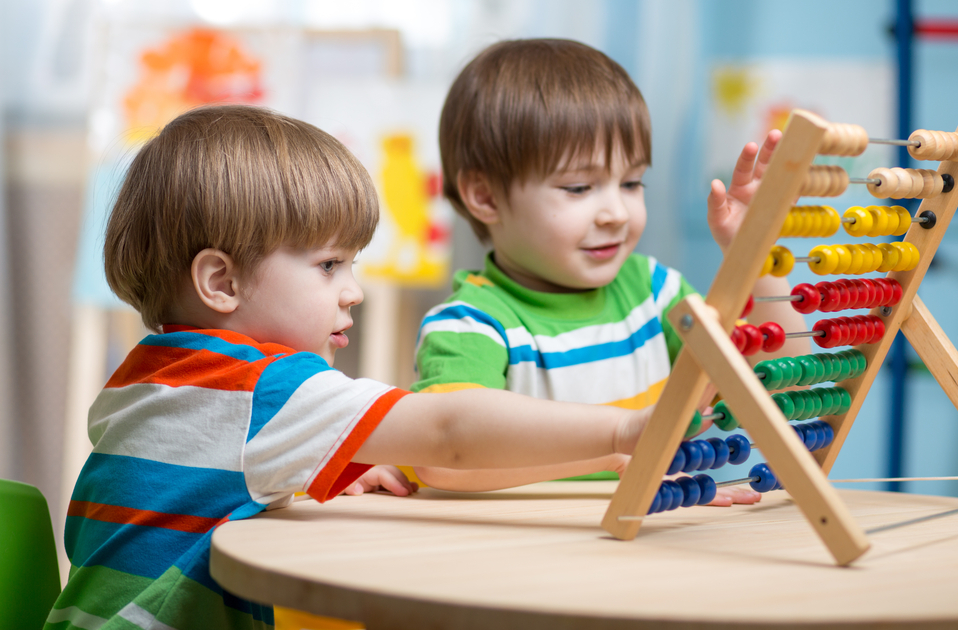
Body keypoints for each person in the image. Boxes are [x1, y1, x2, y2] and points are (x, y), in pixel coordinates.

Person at [45, 105, 654, 630]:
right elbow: (448, 431)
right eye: (330, 265)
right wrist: (620, 432)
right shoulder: (262, 388)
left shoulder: (146, 376)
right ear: (221, 281)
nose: (353, 291)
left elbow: (206, 482)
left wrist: (309, 463)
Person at [410, 38, 809, 496]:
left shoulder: (656, 295)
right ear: (485, 196)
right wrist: (617, 454)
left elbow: (780, 381)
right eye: (579, 187)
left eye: (632, 182)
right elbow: (445, 462)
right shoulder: (471, 327)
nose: (616, 212)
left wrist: (753, 253)